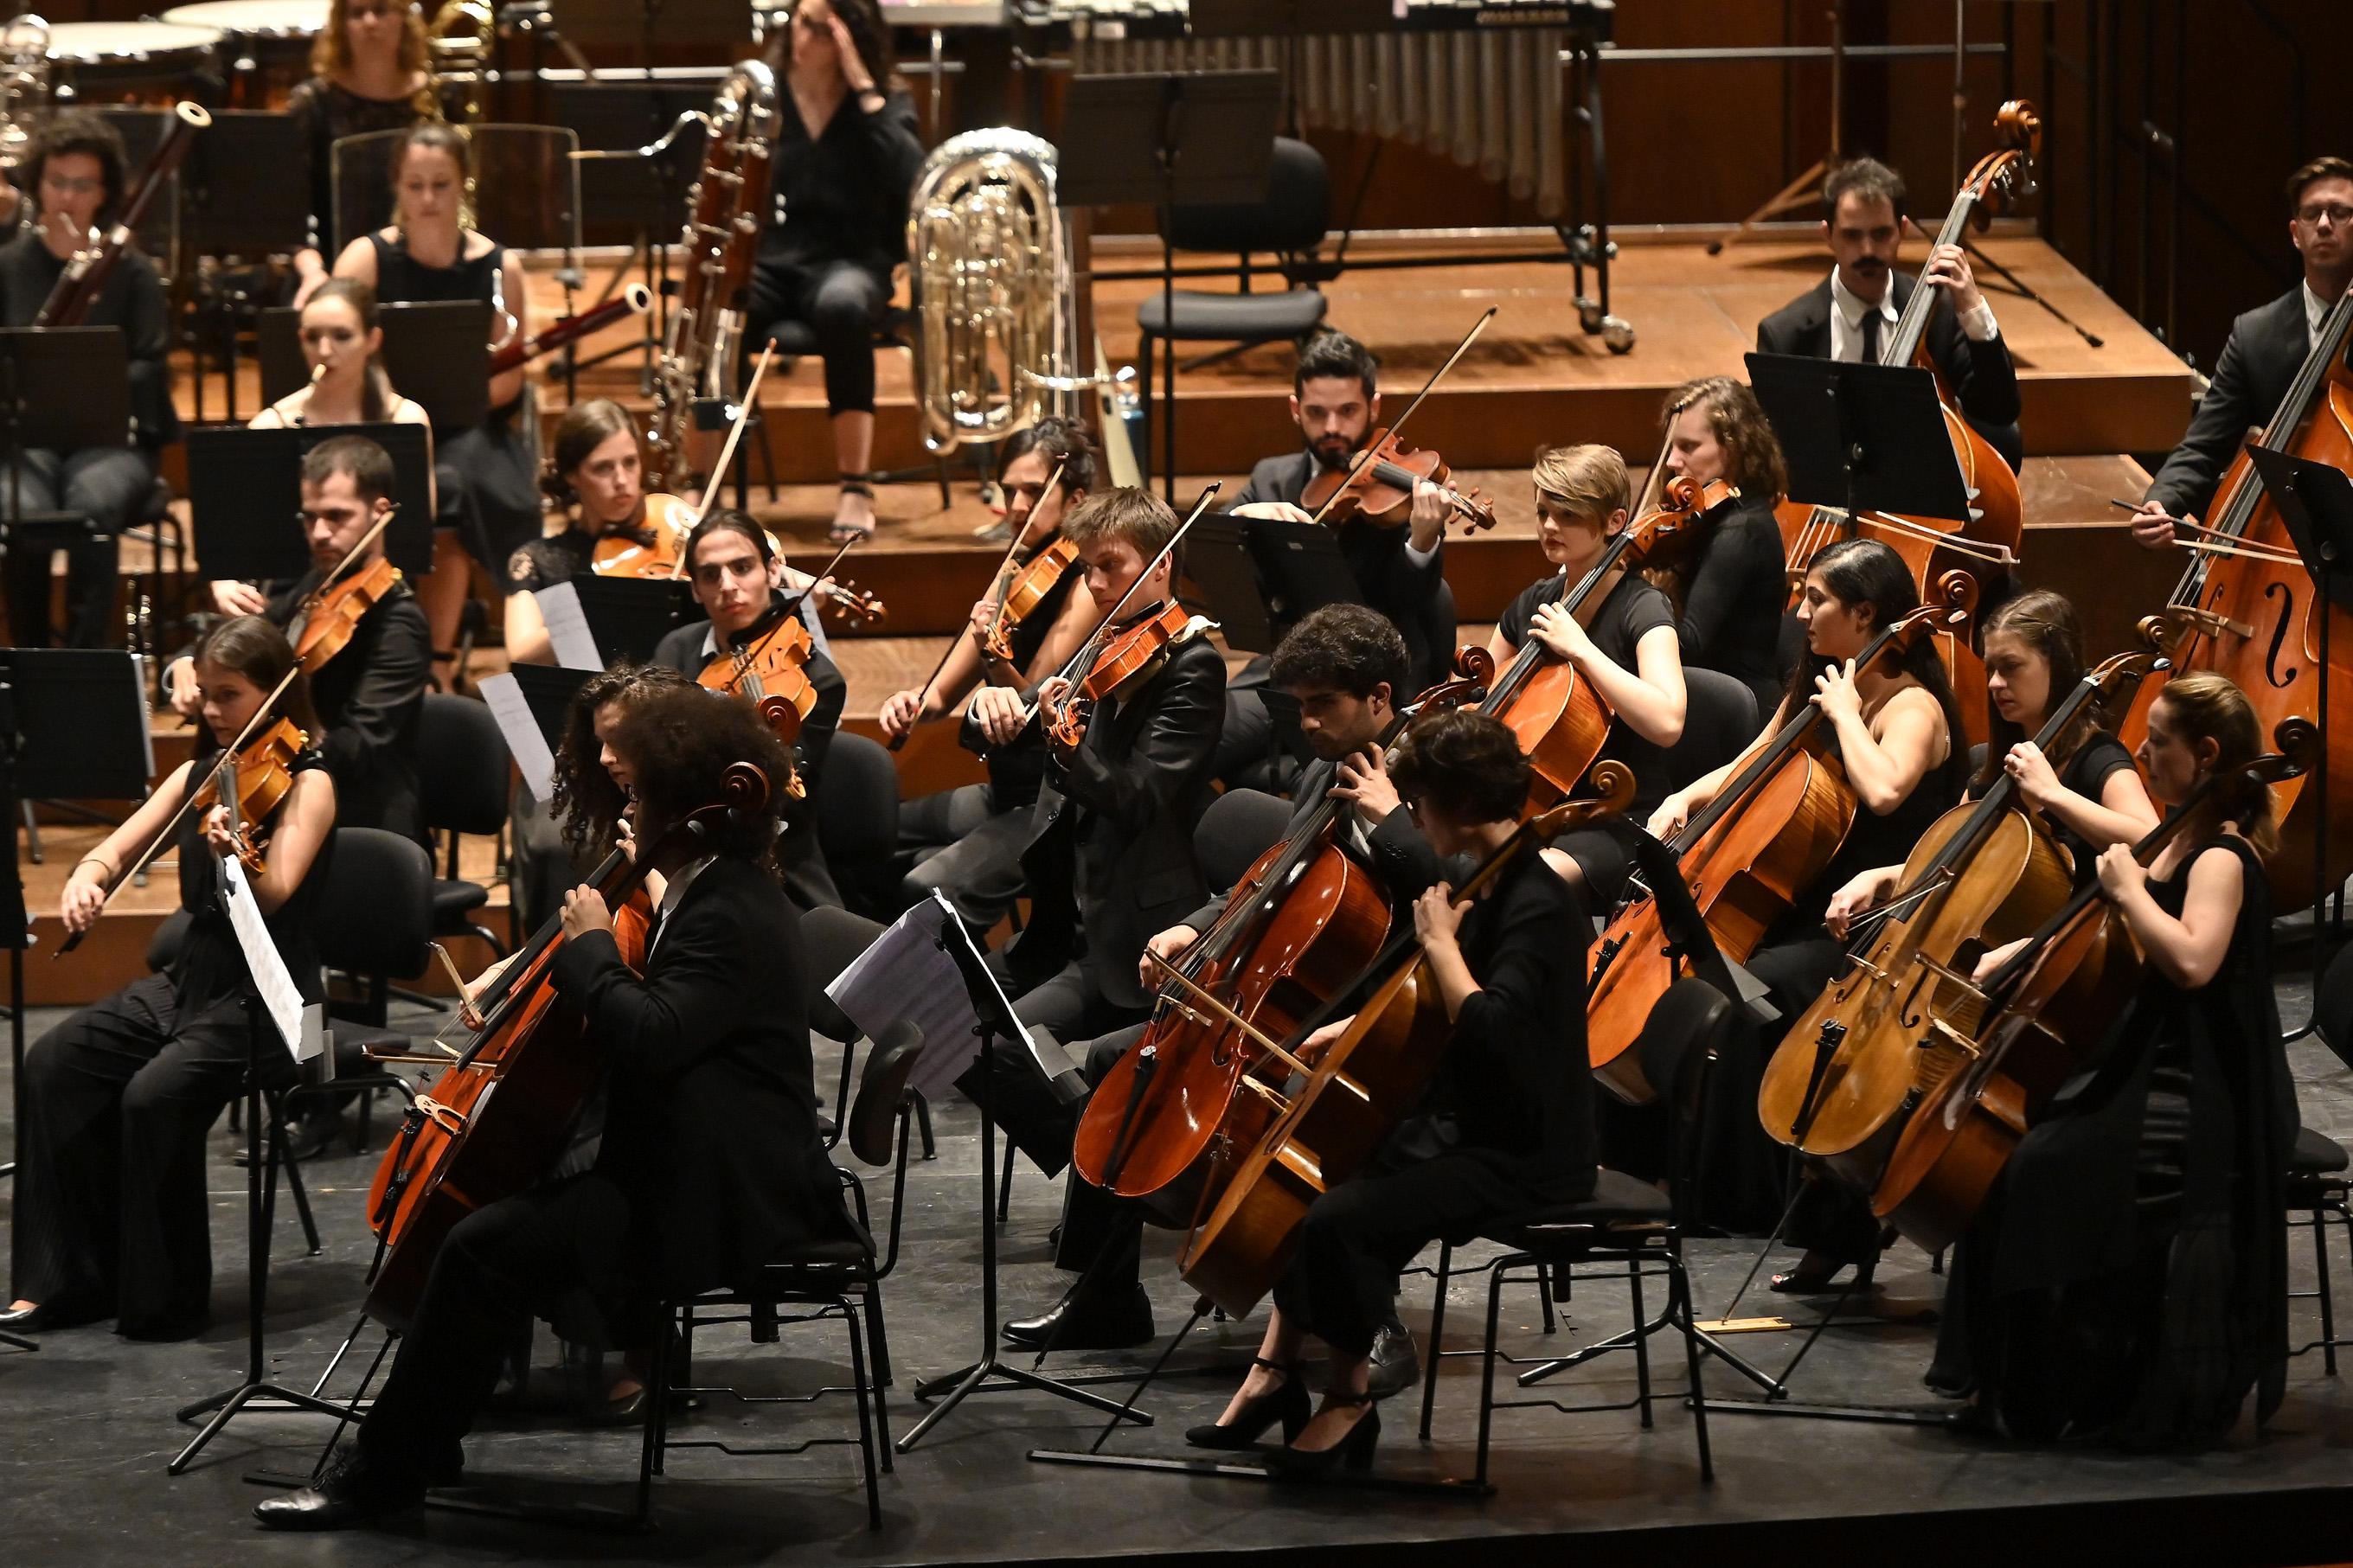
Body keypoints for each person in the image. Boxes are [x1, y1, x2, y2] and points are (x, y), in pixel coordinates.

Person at [253, 685, 862, 1529]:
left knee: (480, 1246)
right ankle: (421, 1441)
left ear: (688, 808)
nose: (627, 806)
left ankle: (388, 1474)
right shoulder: (709, 887)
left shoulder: (728, 908)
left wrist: (585, 947)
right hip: (692, 1163)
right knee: (497, 1225)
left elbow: (652, 1036)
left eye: (641, 793)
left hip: (722, 1198)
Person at [998, 605, 1439, 1356]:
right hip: (1288, 996)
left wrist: (1394, 818)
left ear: (1380, 698)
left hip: (1381, 1011)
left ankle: (1371, 1307)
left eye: (1322, 705)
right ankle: (1107, 1295)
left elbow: (1456, 889)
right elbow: (1265, 883)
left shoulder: (1429, 780)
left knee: (1320, 1111)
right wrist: (1194, 928)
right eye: (1297, 706)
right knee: (1114, 1060)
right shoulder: (1320, 774)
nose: (1306, 723)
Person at [1189, 708, 1595, 1474]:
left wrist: (1441, 943)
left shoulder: (1538, 904)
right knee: (1321, 1183)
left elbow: (1495, 1031)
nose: (1411, 818)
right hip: (1471, 1125)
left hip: (1528, 1151)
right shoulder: (1482, 877)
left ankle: (1347, 1400)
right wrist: (1346, 1029)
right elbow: (1427, 1001)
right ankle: (1280, 1377)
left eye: (1420, 804)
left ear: (1459, 804)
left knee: (1345, 1216)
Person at [1929, 671, 2292, 1448]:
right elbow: (2106, 930)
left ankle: (2059, 1385)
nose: (2143, 752)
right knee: (2016, 1159)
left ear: (2206, 753)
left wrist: (2128, 892)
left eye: (2157, 741)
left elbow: (2193, 960)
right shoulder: (2175, 836)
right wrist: (2022, 950)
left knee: (2040, 1166)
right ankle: (2030, 1383)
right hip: (2145, 1064)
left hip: (2202, 1088)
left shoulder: (2222, 856)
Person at [4, 618, 335, 1340]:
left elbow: (275, 893)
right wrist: (88, 877)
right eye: (207, 694)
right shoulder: (199, 774)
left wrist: (236, 853)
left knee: (155, 1096)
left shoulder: (309, 782)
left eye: (231, 695)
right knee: (54, 1062)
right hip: (195, 977)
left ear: (274, 692)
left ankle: (165, 1299)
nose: (213, 710)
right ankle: (65, 1281)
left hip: (281, 997)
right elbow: (118, 845)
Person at [1649, 538, 1967, 1274]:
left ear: (1865, 613)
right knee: (1712, 978)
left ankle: (1757, 1204)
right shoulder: (1825, 682)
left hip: (1885, 923)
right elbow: (1754, 758)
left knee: (1753, 995)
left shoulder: (1912, 704)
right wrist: (1682, 797)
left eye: (1816, 599)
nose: (1800, 611)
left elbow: (1886, 788)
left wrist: (1850, 712)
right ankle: (1697, 1185)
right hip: (1815, 905)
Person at [1822, 589, 2160, 959]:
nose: (1996, 683)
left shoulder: (2097, 757)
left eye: (2011, 666)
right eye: (1991, 670)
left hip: (2061, 965)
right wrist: (1881, 877)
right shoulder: (1988, 762)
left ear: (2057, 665)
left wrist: (2053, 794)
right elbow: (1951, 863)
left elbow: (2151, 842)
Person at [881, 416, 1102, 931]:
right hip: (1003, 789)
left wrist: (993, 655)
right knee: (870, 832)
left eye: (1032, 490)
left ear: (1075, 500)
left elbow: (1032, 705)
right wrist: (910, 702)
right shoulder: (1017, 569)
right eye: (1009, 491)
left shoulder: (1088, 585)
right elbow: (938, 695)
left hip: (1048, 800)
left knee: (922, 886)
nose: (1018, 506)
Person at [335, 119, 541, 672]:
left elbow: (510, 378)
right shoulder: (366, 259)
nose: (428, 199)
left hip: (472, 425)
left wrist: (458, 397)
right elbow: (332, 344)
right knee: (412, 486)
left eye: (441, 184)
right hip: (382, 424)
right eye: (415, 185)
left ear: (464, 185)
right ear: (397, 187)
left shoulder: (502, 266)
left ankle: (438, 664)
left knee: (453, 489)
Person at [167, 436, 431, 843]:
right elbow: (245, 643)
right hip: (296, 796)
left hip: (363, 821)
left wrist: (270, 769)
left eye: (336, 516)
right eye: (309, 518)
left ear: (380, 513)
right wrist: (187, 662)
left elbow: (358, 747)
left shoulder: (399, 622)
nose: (319, 533)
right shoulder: (313, 589)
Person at [1221, 330, 1456, 777]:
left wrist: (1423, 539)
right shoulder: (1271, 479)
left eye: (1347, 411)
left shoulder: (1397, 493)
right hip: (1282, 672)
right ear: (1295, 410)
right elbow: (1217, 560)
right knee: (1195, 739)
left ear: (1374, 406)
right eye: (1316, 413)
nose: (1332, 428)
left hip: (1357, 686)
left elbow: (1408, 602)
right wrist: (1247, 515)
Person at [0, 111, 177, 648]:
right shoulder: (6, 267)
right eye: (57, 182)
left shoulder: (130, 271)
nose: (67, 198)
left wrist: (93, 377)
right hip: (24, 439)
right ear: (37, 186)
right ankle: (30, 662)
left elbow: (150, 364)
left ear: (104, 194)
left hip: (112, 441)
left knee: (89, 506)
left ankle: (86, 662)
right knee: (22, 514)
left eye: (82, 185)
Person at [748, 0, 922, 545]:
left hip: (852, 263)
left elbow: (915, 177)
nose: (806, 37)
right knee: (723, 303)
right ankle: (704, 481)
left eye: (825, 28)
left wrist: (861, 84)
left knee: (841, 306)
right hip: (774, 261)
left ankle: (855, 486)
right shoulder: (763, 95)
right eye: (802, 22)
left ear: (853, 33)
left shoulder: (883, 99)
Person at [1484, 443, 1686, 903]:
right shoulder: (1535, 599)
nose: (1550, 527)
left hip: (1617, 816)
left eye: (1569, 516)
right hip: (1534, 808)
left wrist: (1582, 651)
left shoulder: (1643, 607)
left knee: (1525, 885)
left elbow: (1668, 721)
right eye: (1543, 512)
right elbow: (1483, 699)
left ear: (1615, 523)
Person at [2132, 156, 2353, 547]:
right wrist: (2161, 501)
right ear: (2295, 233)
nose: (2323, 224)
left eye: (2339, 213)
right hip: (2285, 537)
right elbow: (2204, 445)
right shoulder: (2256, 334)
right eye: (2311, 214)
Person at [1755, 155, 2023, 469]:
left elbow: (1999, 412)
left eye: (1881, 234)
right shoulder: (1786, 335)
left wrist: (1974, 310)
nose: (1867, 251)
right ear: (1827, 236)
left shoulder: (1942, 315)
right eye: (1852, 235)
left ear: (1902, 229)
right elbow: (1777, 454)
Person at [651, 509, 847, 910]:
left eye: (742, 568)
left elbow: (777, 796)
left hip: (774, 857)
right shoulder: (675, 651)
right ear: (694, 589)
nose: (728, 586)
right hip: (679, 848)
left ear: (773, 572)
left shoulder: (817, 680)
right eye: (710, 575)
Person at [1651, 376, 1793, 718]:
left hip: (1736, 713)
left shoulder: (1741, 530)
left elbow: (1690, 646)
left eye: (1688, 447)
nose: (1672, 460)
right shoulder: (1712, 515)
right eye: (1671, 446)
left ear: (1733, 448)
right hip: (1708, 695)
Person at [285, 0, 439, 308]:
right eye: (357, 13)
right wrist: (313, 272)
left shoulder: (438, 98)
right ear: (342, 26)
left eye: (381, 10)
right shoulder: (312, 103)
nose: (369, 22)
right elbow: (289, 211)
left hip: (423, 265)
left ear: (404, 20)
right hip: (333, 267)